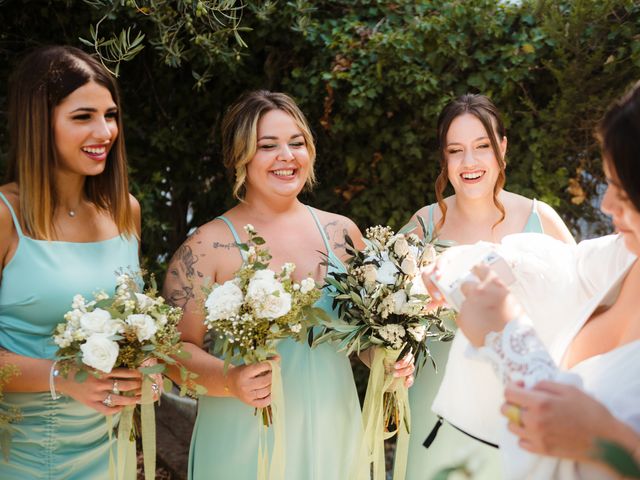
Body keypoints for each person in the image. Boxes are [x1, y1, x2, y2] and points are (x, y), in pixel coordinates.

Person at [162, 90, 413, 480]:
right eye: (267, 145)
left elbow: (360, 338)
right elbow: (174, 352)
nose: (287, 155)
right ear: (240, 155)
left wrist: (390, 360)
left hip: (332, 428)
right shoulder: (206, 247)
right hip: (245, 436)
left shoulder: (341, 233)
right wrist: (230, 380)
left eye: (297, 143)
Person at [441, 80, 640, 478]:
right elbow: (565, 261)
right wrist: (483, 266)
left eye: (621, 187)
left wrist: (506, 336)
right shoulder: (625, 256)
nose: (605, 203)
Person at [404, 94, 575, 479]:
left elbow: (581, 309)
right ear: (444, 159)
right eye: (456, 150)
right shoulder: (423, 225)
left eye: (482, 146)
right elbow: (383, 317)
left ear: (502, 147)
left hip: (516, 405)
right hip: (436, 402)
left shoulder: (539, 219)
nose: (469, 163)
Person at [0, 46, 143, 479]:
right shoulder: (5, 215)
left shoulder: (126, 212)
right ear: (39, 123)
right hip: (21, 454)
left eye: (111, 115)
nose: (104, 131)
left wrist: (148, 367)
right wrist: (62, 377)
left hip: (109, 449)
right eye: (83, 117)